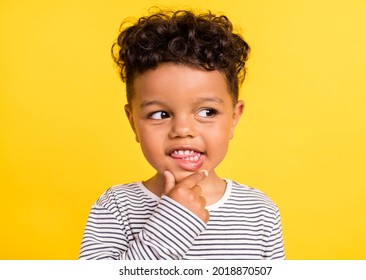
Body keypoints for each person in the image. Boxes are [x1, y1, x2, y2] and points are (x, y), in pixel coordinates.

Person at [79, 9, 285, 260]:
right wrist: (173, 222)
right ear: (133, 123)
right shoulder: (116, 208)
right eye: (160, 115)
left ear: (234, 118)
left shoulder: (260, 213)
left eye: (207, 112)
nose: (183, 131)